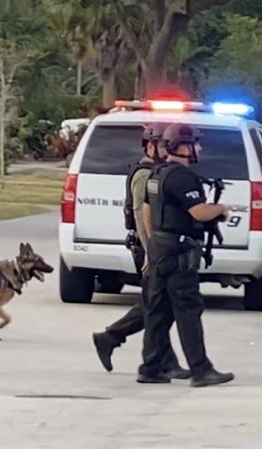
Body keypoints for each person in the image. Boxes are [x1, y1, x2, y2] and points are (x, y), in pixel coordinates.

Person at [91, 123, 190, 379]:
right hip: (147, 248)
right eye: (158, 143)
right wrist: (150, 253)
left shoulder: (157, 172)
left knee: (155, 305)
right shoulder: (144, 174)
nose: (163, 148)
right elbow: (139, 213)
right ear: (148, 145)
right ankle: (147, 355)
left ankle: (116, 340)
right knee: (156, 306)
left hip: (155, 249)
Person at [139, 123, 234, 387]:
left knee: (158, 311)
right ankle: (201, 370)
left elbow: (147, 210)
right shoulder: (183, 177)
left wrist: (152, 244)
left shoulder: (157, 174)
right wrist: (221, 209)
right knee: (188, 310)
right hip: (179, 251)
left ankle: (151, 367)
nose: (199, 148)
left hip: (159, 248)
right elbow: (198, 212)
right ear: (182, 146)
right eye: (195, 143)